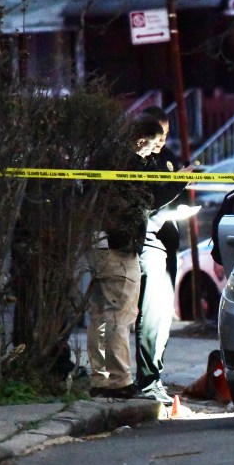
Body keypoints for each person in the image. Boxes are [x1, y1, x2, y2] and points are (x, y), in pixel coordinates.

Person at [85, 115, 164, 399]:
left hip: (97, 243)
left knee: (101, 314)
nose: (152, 152)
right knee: (120, 314)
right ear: (141, 140)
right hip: (119, 246)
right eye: (152, 145)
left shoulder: (103, 156)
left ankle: (101, 378)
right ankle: (118, 379)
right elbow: (145, 201)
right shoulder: (129, 164)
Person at [134, 106, 190, 405]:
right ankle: (147, 379)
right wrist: (179, 181)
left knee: (162, 314)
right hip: (148, 241)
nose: (161, 143)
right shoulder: (139, 161)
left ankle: (154, 374)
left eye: (165, 136)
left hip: (167, 242)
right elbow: (153, 198)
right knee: (150, 314)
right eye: (157, 137)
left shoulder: (167, 157)